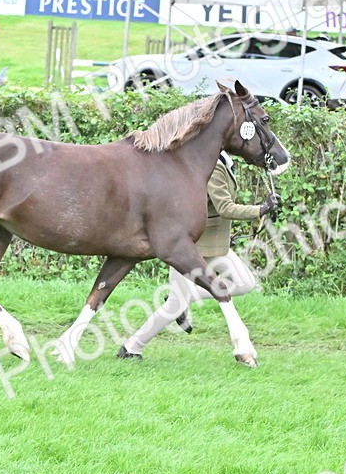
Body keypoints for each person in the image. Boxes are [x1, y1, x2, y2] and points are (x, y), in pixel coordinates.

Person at [117, 151, 281, 359]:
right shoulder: (211, 164)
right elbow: (225, 207)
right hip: (189, 247)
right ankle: (132, 347)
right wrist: (261, 209)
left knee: (245, 283)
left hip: (215, 243)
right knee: (175, 305)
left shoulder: (223, 160)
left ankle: (188, 297)